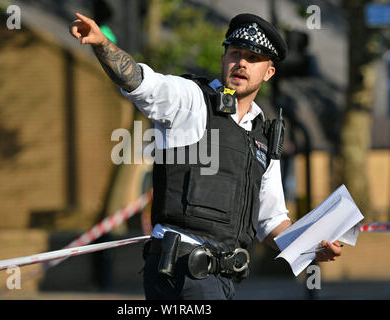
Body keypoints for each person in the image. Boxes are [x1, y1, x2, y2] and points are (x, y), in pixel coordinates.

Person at [69, 12, 342, 300]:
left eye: (253, 58)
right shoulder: (191, 99)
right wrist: (102, 44)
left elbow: (270, 222)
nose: (242, 63)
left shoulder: (263, 135)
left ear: (269, 72)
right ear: (224, 59)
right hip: (183, 270)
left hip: (221, 279)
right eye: (236, 53)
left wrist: (310, 244)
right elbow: (139, 81)